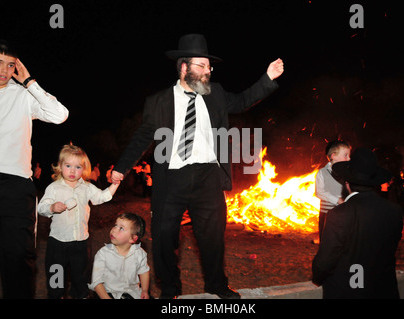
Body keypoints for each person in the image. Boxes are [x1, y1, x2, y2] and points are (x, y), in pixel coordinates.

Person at [111, 33, 284, 299]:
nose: (207, 71)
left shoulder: (215, 95)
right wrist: (121, 168)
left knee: (213, 238)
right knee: (165, 238)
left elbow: (242, 101)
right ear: (184, 67)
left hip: (208, 177)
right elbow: (142, 136)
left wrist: (267, 78)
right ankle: (170, 288)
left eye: (209, 67)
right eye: (201, 66)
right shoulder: (158, 101)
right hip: (172, 178)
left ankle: (216, 285)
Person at [0, 39, 69, 299]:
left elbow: (59, 114)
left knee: (19, 257)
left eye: (10, 65)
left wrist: (30, 82)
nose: (4, 70)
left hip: (16, 188)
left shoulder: (24, 95)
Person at [312, 148, 404, 298]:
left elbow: (325, 261)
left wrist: (317, 277)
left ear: (347, 184)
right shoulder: (394, 211)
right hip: (383, 291)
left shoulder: (339, 214)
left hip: (347, 292)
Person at [37, 144, 119, 299]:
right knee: (56, 280)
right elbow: (41, 208)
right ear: (60, 167)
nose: (73, 171)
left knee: (80, 278)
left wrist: (115, 185)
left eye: (78, 167)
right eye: (68, 166)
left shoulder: (87, 187)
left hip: (80, 243)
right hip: (57, 244)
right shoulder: (54, 188)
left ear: (84, 169)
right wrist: (52, 207)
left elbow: (102, 197)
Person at [89, 212, 150, 299]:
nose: (114, 229)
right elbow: (97, 282)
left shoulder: (139, 254)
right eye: (115, 225)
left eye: (121, 228)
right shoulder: (103, 254)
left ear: (133, 238)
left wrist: (144, 290)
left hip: (132, 292)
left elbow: (144, 271)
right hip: (108, 293)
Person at [314, 140, 351, 242]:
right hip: (327, 214)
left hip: (344, 213)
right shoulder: (322, 173)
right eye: (346, 155)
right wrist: (337, 200)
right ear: (333, 156)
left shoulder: (348, 172)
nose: (349, 158)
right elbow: (319, 192)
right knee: (327, 241)